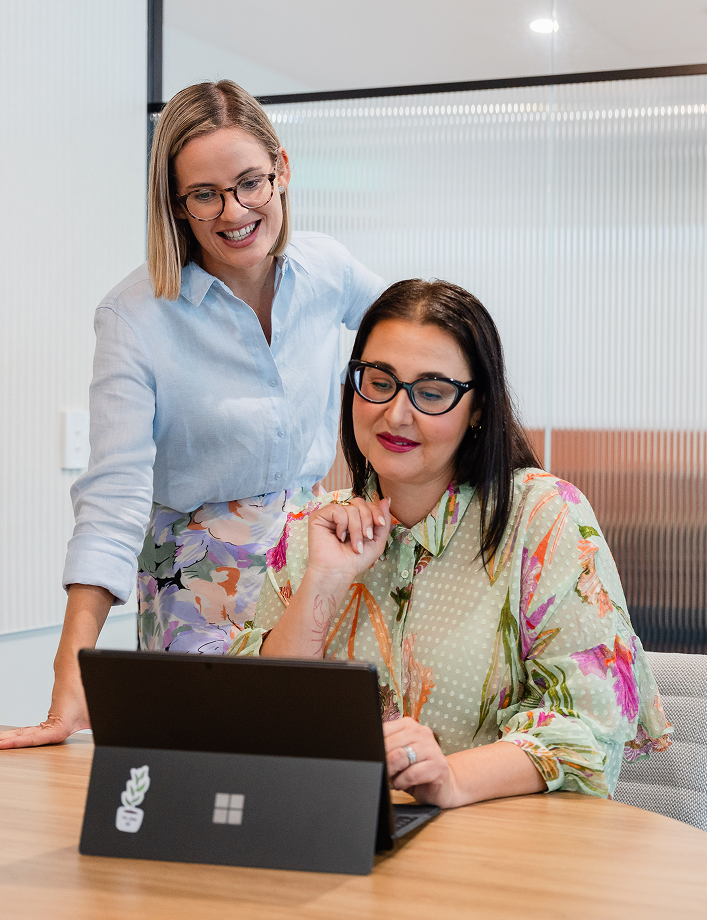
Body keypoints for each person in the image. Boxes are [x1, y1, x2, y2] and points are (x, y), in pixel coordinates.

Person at [0, 81, 383, 750]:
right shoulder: (136, 316)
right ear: (176, 205)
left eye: (249, 183)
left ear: (281, 169)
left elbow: (412, 348)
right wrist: (71, 669)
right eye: (204, 194)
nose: (233, 211)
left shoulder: (328, 272)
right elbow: (114, 497)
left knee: (321, 774)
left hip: (314, 570)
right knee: (212, 786)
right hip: (197, 591)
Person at [229, 279, 672, 807]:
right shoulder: (309, 526)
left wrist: (452, 778)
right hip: (335, 835)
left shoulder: (542, 516)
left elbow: (591, 725)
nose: (396, 414)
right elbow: (258, 725)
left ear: (478, 407)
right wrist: (323, 581)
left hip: (499, 850)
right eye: (378, 382)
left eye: (432, 393)